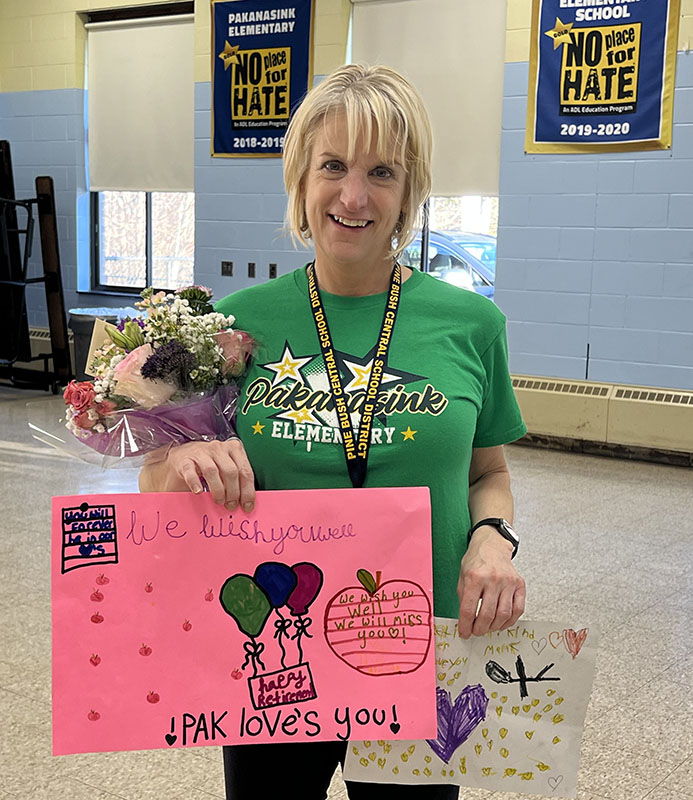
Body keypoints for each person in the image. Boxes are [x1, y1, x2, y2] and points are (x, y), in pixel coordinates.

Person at [140, 64, 527, 800]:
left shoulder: (473, 324)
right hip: (270, 651)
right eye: (333, 167)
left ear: (409, 191)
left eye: (381, 171)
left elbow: (489, 474)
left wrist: (492, 539)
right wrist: (181, 457)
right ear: (299, 179)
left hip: (419, 645)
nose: (353, 196)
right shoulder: (235, 326)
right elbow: (154, 481)